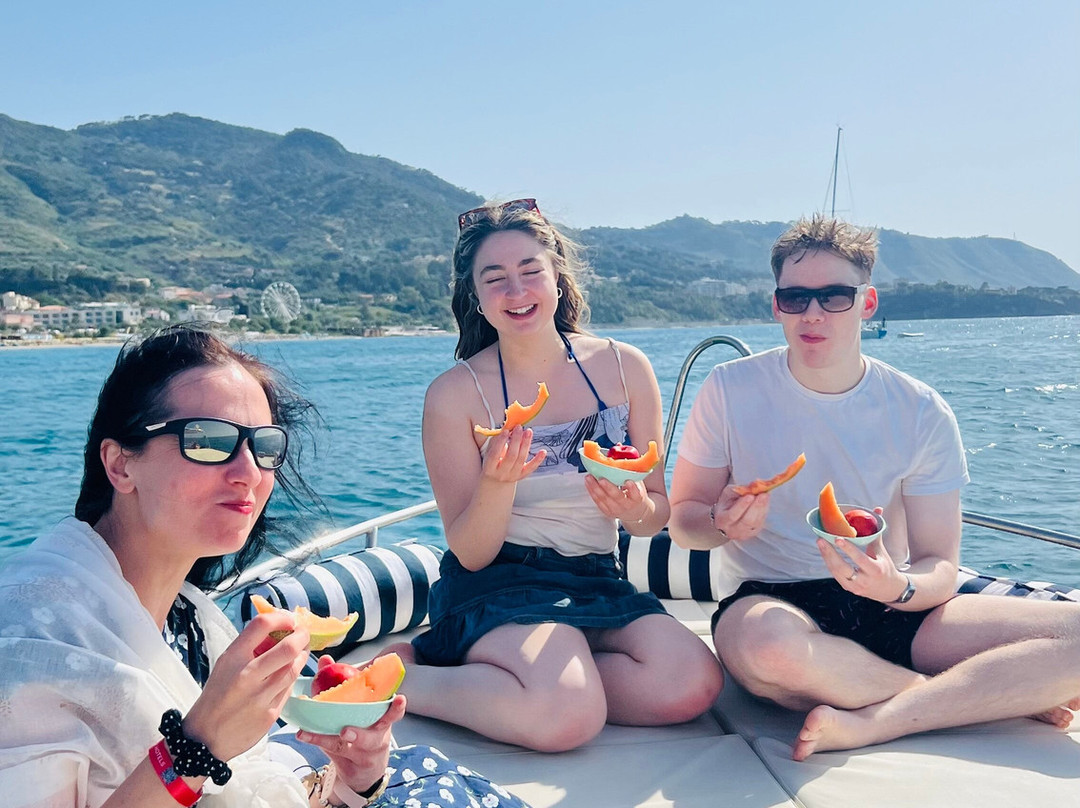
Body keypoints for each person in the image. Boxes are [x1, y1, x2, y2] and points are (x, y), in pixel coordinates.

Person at [0, 325, 534, 808]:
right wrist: (197, 745)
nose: (248, 473)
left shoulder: (188, 622)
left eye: (264, 446)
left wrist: (355, 778)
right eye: (207, 441)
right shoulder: (31, 645)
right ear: (120, 464)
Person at [668, 215, 1080, 761]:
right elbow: (684, 523)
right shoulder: (729, 389)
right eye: (795, 298)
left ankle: (881, 719)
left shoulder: (919, 409)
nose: (813, 313)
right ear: (776, 306)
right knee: (769, 650)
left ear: (867, 302)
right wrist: (719, 522)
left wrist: (894, 586)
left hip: (891, 603)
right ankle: (969, 698)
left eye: (835, 296)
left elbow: (939, 567)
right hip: (772, 600)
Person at [395, 199, 722, 752]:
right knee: (567, 717)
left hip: (597, 578)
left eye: (530, 272)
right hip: (498, 581)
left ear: (557, 278)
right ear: (474, 297)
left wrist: (635, 511)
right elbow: (470, 552)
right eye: (494, 279)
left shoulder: (624, 367)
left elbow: (656, 512)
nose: (516, 291)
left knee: (692, 685)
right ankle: (403, 680)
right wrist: (498, 484)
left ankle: (546, 677)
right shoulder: (455, 396)